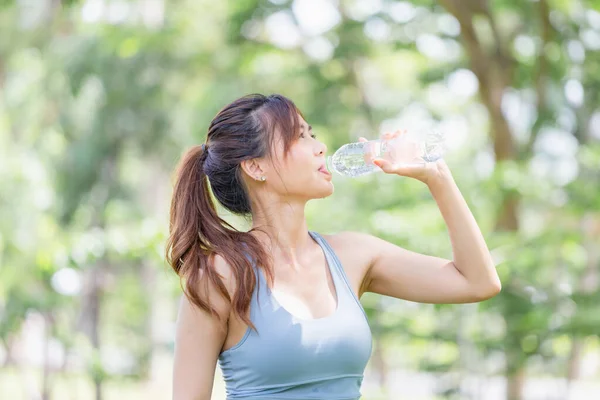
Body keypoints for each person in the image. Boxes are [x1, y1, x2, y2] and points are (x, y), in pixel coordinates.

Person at [166, 93, 501, 400]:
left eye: (312, 134)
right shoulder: (219, 275)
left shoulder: (354, 256)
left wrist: (436, 176)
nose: (321, 146)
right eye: (300, 136)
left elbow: (477, 282)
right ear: (256, 166)